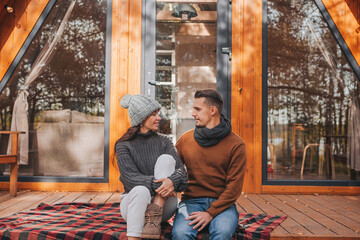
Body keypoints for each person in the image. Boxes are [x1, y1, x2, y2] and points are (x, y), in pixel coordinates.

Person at [172, 89, 247, 240]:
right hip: (191, 201)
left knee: (222, 233)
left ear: (213, 110)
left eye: (197, 109)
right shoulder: (185, 140)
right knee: (181, 234)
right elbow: (173, 171)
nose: (193, 113)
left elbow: (234, 188)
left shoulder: (236, 144)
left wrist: (210, 212)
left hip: (223, 204)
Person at [115, 94, 187, 240]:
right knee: (140, 190)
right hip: (134, 206)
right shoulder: (123, 145)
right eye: (154, 114)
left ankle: (154, 218)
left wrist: (172, 181)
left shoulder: (164, 141)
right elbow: (131, 179)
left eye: (157, 113)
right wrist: (167, 183)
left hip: (163, 208)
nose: (159, 117)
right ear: (141, 118)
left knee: (166, 159)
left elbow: (182, 176)